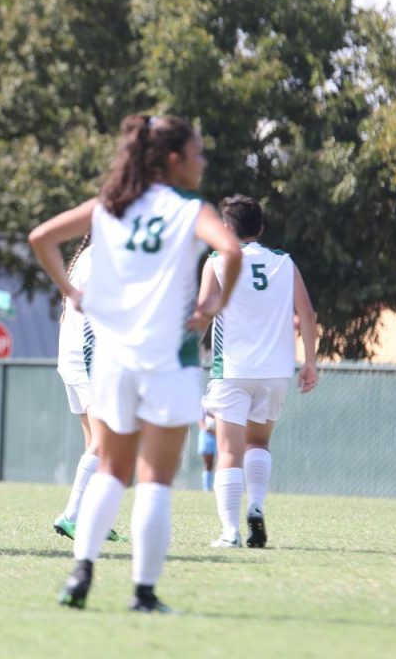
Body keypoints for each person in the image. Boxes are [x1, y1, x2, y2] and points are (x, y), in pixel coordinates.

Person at [29, 114, 242, 612]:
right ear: (173, 159)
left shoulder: (110, 205)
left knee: (110, 467)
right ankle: (143, 593)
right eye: (197, 151)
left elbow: (42, 237)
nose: (202, 160)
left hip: (112, 359)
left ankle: (81, 572)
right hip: (169, 359)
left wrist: (70, 291)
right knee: (154, 480)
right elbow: (229, 249)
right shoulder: (189, 207)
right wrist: (214, 306)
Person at [200, 194, 318, 549]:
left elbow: (204, 310)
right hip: (275, 371)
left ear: (224, 228)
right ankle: (255, 507)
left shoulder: (217, 261)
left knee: (228, 452)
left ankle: (229, 532)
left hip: (232, 369)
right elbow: (308, 313)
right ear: (260, 228)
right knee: (259, 443)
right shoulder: (284, 262)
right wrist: (310, 361)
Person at [52, 239, 125, 544]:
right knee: (105, 443)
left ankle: (90, 517)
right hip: (89, 359)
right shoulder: (103, 255)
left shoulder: (94, 254)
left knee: (94, 443)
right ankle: (71, 515)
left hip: (77, 358)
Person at [198, 413, 217, 492]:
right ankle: (207, 490)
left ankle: (219, 488)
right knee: (208, 463)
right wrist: (206, 428)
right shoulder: (203, 401)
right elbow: (200, 417)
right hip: (206, 435)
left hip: (220, 435)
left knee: (222, 462)